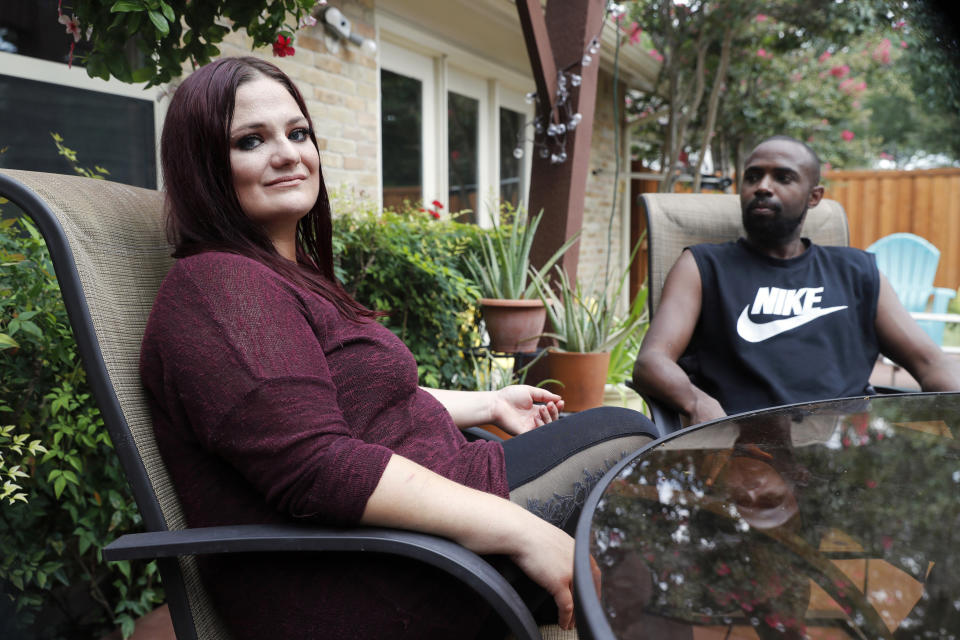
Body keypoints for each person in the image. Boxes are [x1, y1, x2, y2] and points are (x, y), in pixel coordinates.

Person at [139, 56, 656, 640]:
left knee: (636, 508)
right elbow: (317, 465)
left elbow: (349, 401)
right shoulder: (220, 286)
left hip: (416, 533)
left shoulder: (283, 276)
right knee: (632, 446)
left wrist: (487, 404)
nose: (287, 153)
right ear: (203, 166)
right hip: (366, 578)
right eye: (250, 141)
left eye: (298, 132)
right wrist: (520, 528)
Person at [632, 135, 960, 426]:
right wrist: (698, 402)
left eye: (783, 177)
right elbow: (652, 361)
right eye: (753, 176)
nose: (762, 186)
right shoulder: (703, 266)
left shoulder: (857, 272)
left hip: (840, 456)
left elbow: (931, 363)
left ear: (814, 196)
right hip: (744, 453)